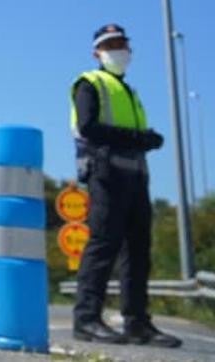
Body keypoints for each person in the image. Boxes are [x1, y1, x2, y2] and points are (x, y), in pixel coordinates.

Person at [70, 24, 181, 348]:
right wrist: (140, 138)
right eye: (110, 44)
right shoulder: (89, 83)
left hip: (135, 177)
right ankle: (87, 319)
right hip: (105, 174)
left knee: (137, 250)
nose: (118, 49)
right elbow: (88, 127)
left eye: (122, 43)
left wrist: (147, 140)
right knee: (104, 245)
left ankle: (137, 323)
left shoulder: (129, 92)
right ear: (97, 52)